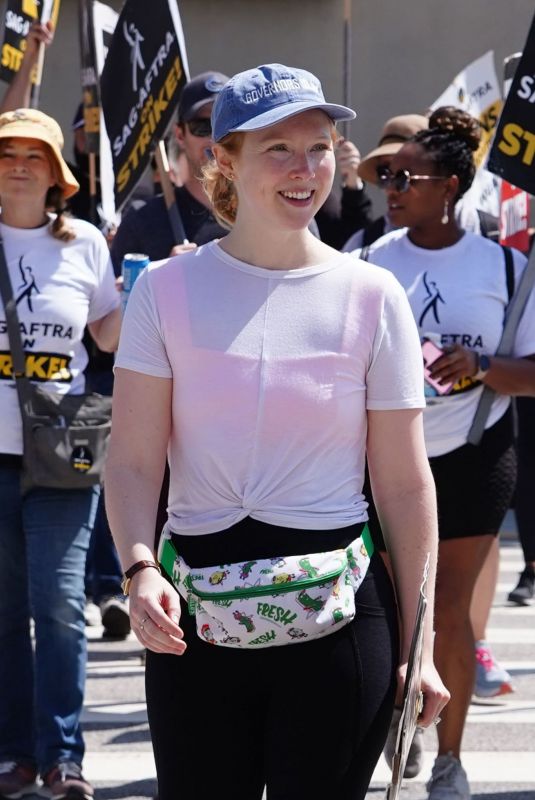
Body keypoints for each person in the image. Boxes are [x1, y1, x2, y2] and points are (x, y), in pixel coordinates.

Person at [105, 63, 449, 800]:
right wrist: (140, 571)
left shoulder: (372, 293)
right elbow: (132, 461)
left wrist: (420, 646)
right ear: (219, 160)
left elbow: (401, 480)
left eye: (320, 146)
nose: (306, 169)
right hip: (192, 616)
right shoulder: (164, 290)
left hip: (340, 622)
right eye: (278, 149)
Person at [350, 106, 535, 800]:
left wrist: (480, 365)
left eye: (407, 176)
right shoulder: (366, 261)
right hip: (388, 458)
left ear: (451, 185)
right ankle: (402, 727)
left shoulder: (505, 266)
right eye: (386, 177)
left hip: (474, 449)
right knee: (400, 609)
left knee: (447, 607)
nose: (390, 187)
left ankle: (449, 757)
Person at [0, 108, 121, 800]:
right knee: (4, 612)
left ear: (56, 176)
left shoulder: (84, 247)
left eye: (34, 155)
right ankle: (14, 753)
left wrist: (157, 284)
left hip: (62, 455)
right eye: (6, 152)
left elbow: (106, 336)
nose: (18, 164)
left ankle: (62, 757)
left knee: (61, 604)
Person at [110, 70, 230, 271]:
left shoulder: (263, 213)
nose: (213, 139)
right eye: (202, 127)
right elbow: (115, 301)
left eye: (224, 126)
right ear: (180, 135)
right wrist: (161, 276)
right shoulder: (142, 222)